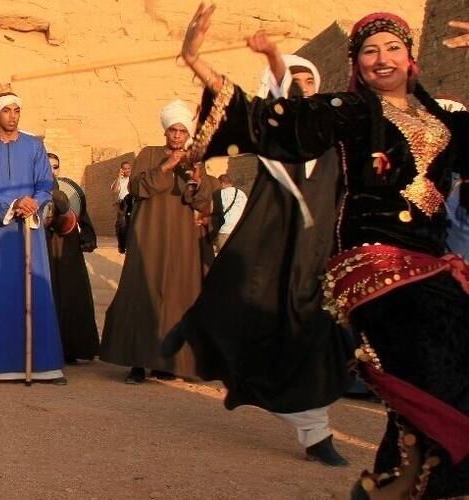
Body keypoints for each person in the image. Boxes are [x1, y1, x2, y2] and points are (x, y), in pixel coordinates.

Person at [176, 6, 469, 497]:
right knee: (436, 372)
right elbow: (271, 119)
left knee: (431, 391)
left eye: (393, 47)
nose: (382, 58)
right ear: (357, 63)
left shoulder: (441, 120)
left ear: (411, 57)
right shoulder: (351, 112)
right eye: (370, 51)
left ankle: (395, 486)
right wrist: (194, 59)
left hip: (432, 267)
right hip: (375, 264)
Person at [166, 47, 354, 467]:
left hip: (322, 254)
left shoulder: (338, 138)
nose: (302, 87)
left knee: (321, 341)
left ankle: (314, 427)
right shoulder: (272, 135)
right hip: (276, 250)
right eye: (292, 81)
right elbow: (232, 103)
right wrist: (197, 60)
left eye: (308, 80)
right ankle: (316, 433)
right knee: (255, 318)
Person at [98, 99, 217, 384]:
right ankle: (137, 363)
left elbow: (202, 202)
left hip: (183, 241)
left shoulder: (196, 160)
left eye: (182, 131)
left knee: (177, 299)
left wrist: (197, 180)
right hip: (148, 237)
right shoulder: (150, 154)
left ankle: (166, 361)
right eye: (172, 130)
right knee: (142, 293)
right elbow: (139, 188)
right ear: (166, 131)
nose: (177, 135)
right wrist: (166, 167)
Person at [0, 92, 65, 384]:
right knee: (0, 291)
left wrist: (33, 202)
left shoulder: (35, 146)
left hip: (30, 225)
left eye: (17, 110)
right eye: (7, 111)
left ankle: (45, 365)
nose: (12, 116)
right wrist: (13, 205)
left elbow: (45, 182)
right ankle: (2, 364)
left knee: (36, 289)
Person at [47, 152, 99, 364]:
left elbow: (82, 216)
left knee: (71, 297)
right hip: (46, 247)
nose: (52, 170)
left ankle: (72, 348)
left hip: (69, 250)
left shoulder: (71, 191)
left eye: (55, 166)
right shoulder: (34, 190)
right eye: (48, 166)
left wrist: (88, 238)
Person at [211, 173, 248, 253]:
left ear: (222, 183)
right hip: (239, 229)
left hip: (225, 230)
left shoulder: (218, 194)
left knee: (224, 259)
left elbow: (213, 211)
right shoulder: (242, 194)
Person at [111, 161, 133, 253]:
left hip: (133, 201)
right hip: (123, 204)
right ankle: (122, 245)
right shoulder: (119, 180)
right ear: (121, 170)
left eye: (128, 168)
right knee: (122, 224)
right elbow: (115, 190)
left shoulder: (134, 178)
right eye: (125, 169)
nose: (127, 170)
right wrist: (118, 178)